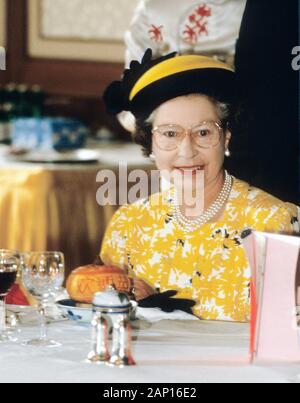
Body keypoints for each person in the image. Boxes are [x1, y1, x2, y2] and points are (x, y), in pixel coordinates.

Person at [100, 48, 299, 322]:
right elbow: (102, 318)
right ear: (151, 143)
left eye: (203, 132)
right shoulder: (129, 226)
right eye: (170, 133)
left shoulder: (276, 223)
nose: (187, 150)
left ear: (226, 138)